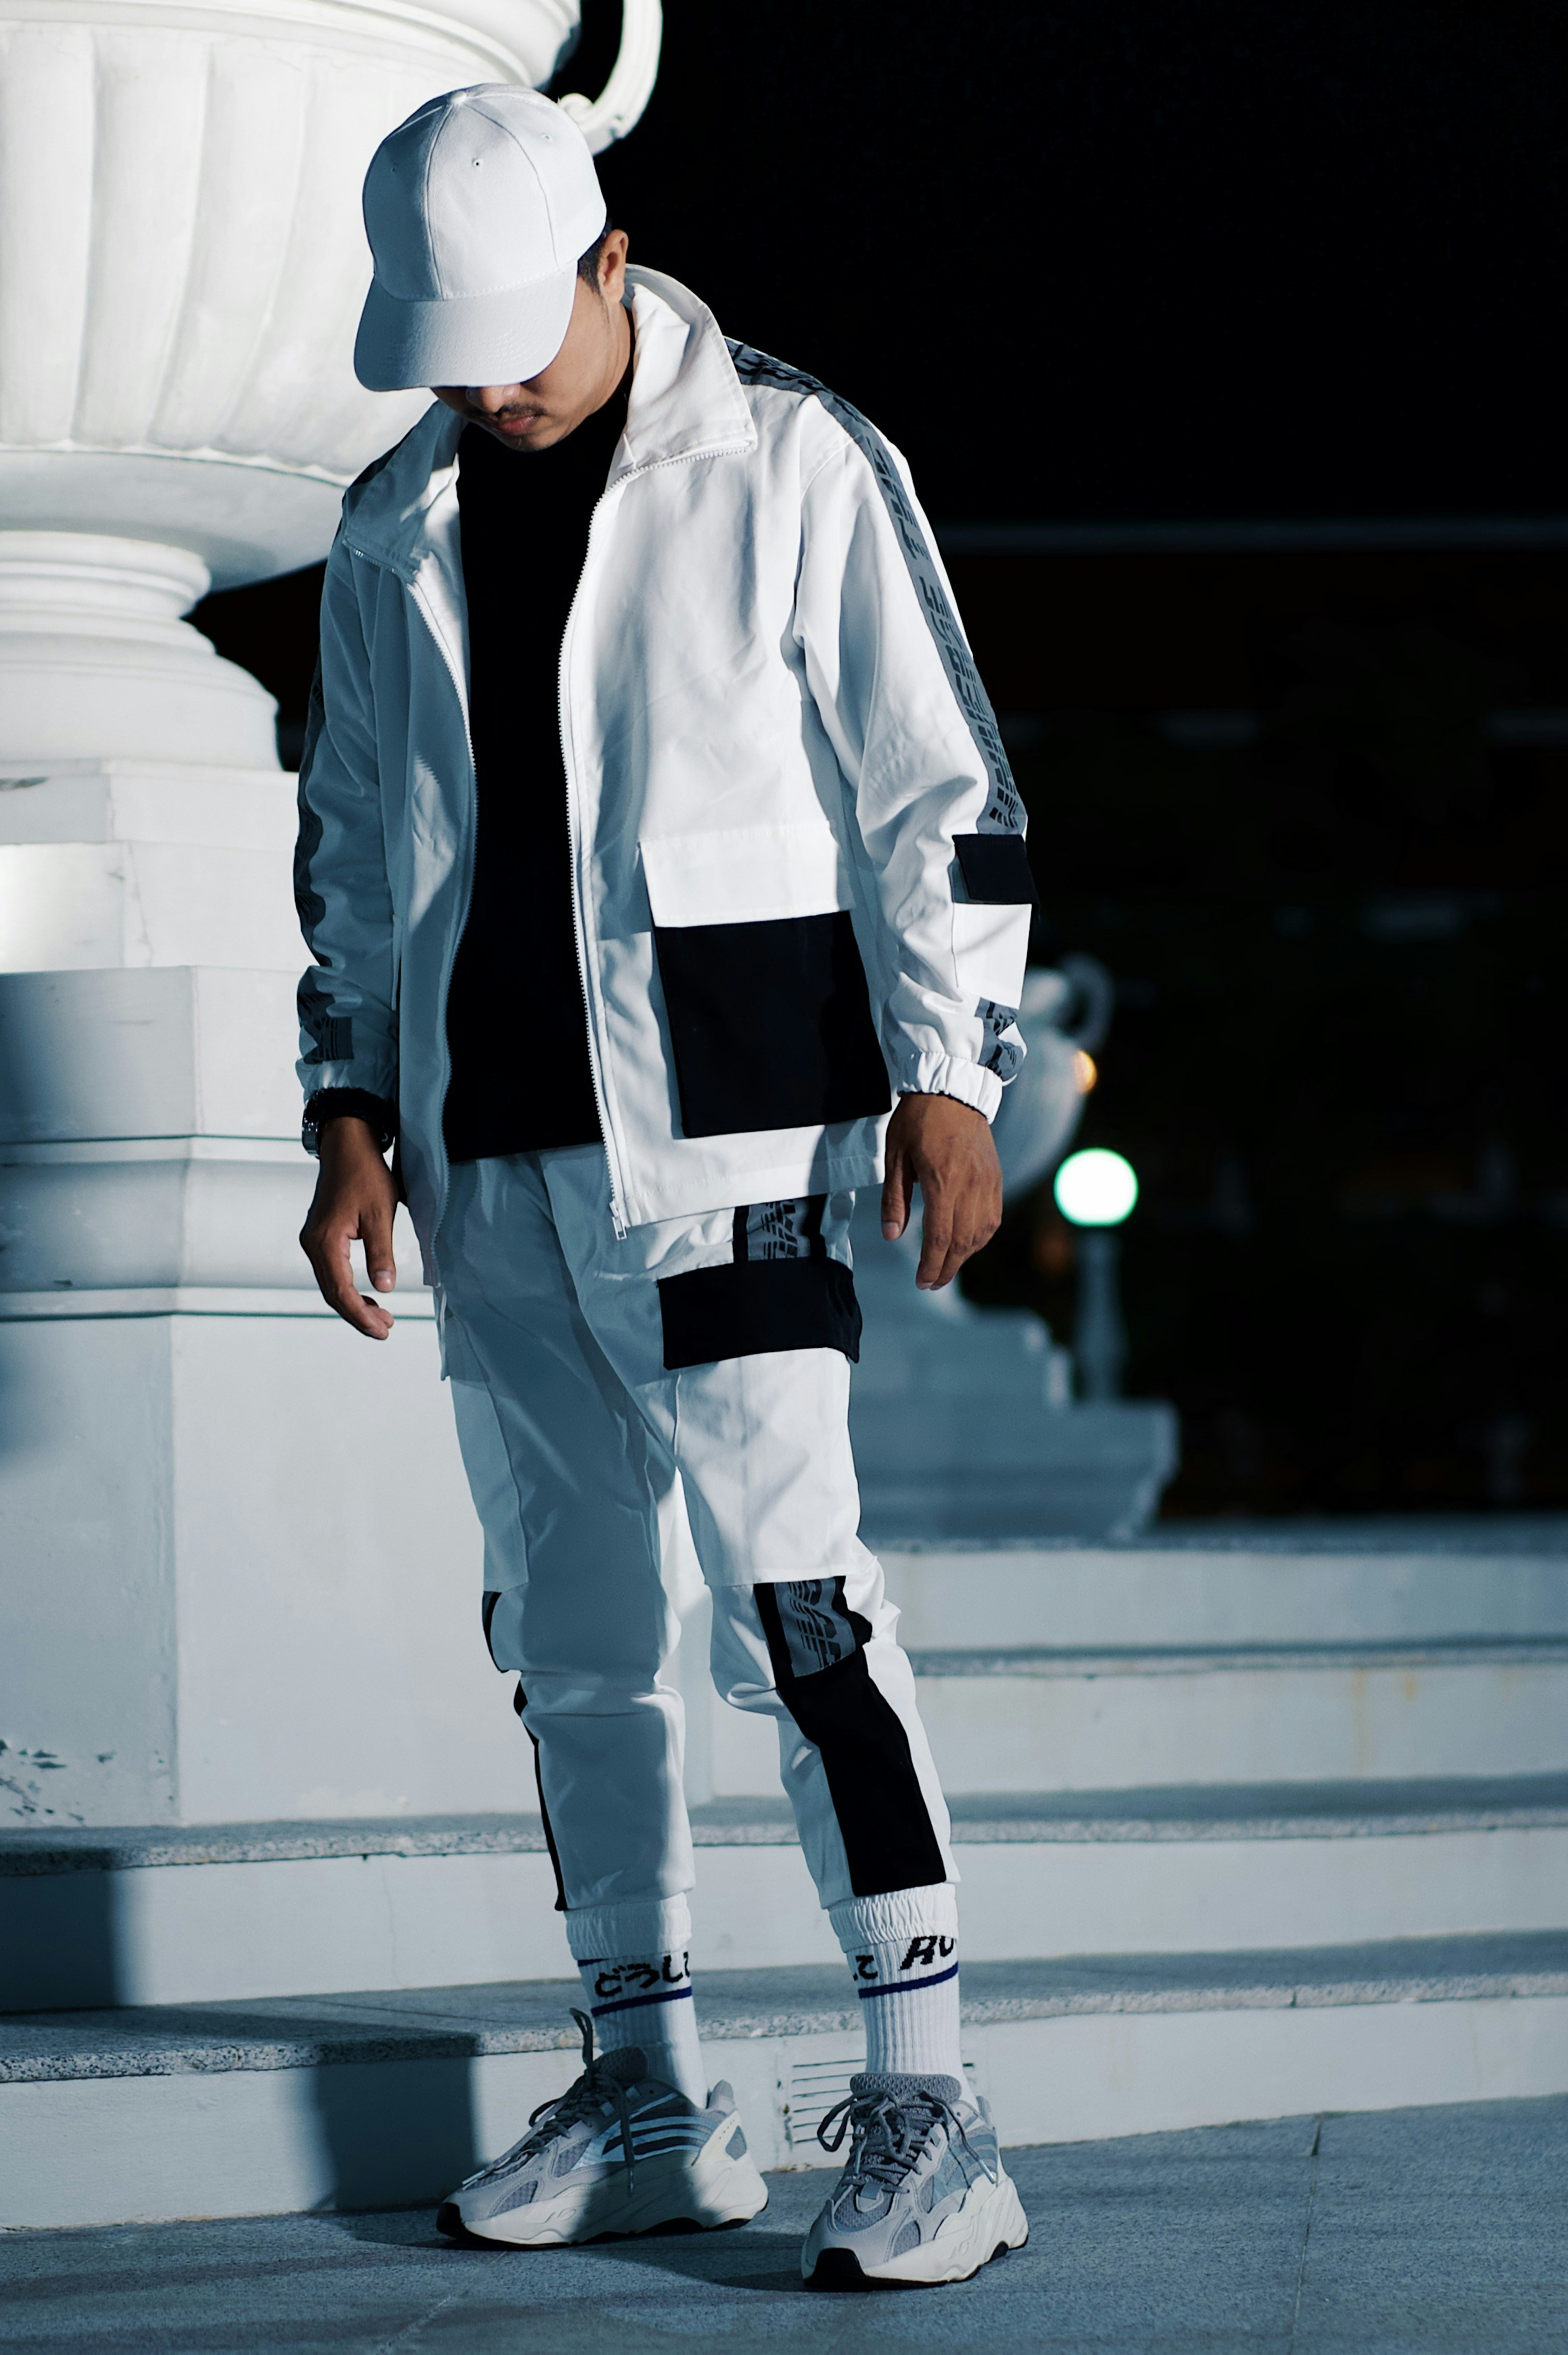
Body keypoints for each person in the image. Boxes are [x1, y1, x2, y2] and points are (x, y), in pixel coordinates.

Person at [296, 82, 1035, 2288]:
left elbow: (935, 784)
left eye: (515, 337)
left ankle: (934, 2106)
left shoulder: (793, 456)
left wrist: (952, 1069)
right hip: (491, 1164)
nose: (486, 387)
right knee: (575, 1641)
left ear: (612, 263)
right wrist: (347, 1104)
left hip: (732, 1143)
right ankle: (646, 2091)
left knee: (796, 1607)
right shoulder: (391, 520)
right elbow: (350, 840)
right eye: (447, 354)